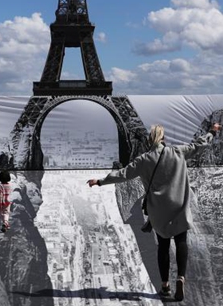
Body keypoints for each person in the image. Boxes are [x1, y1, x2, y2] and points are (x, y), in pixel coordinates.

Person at [87, 124, 209, 302]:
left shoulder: (144, 159)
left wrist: (99, 181)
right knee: (181, 240)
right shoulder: (178, 152)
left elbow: (123, 174)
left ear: (148, 141)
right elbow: (199, 145)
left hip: (158, 208)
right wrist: (212, 132)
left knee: (163, 245)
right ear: (163, 139)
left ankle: (165, 286)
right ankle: (181, 277)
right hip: (179, 205)